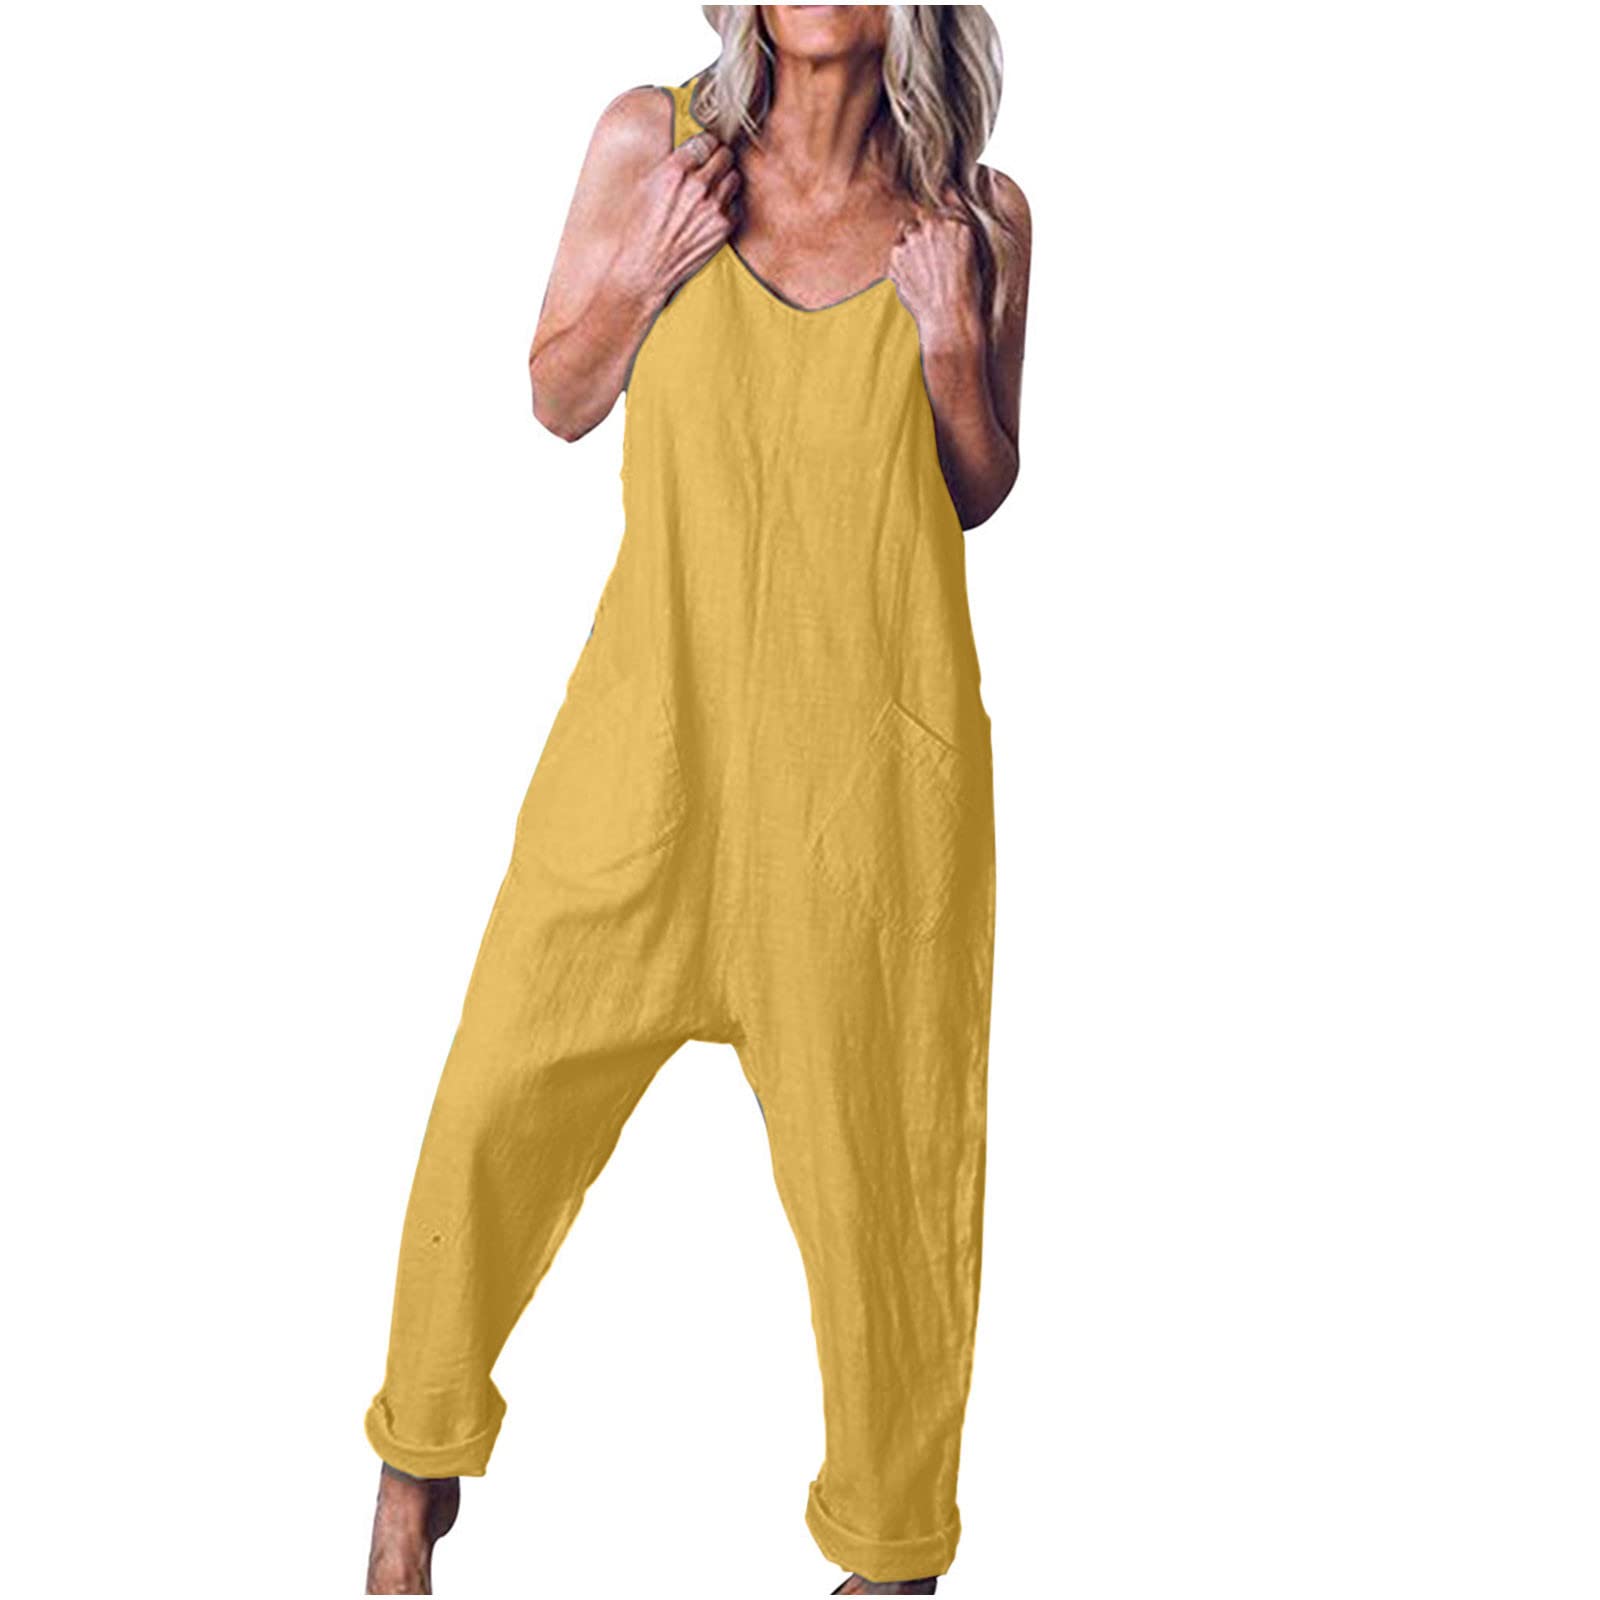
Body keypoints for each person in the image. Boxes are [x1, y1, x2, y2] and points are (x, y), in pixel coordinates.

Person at [363, 6, 1030, 1593]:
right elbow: (556, 396)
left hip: (868, 799)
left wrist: (950, 344)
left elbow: (980, 488)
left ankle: (889, 1550)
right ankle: (409, 1483)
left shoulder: (978, 213)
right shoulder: (651, 145)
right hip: (647, 756)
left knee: (887, 1186)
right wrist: (648, 269)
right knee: (491, 1108)